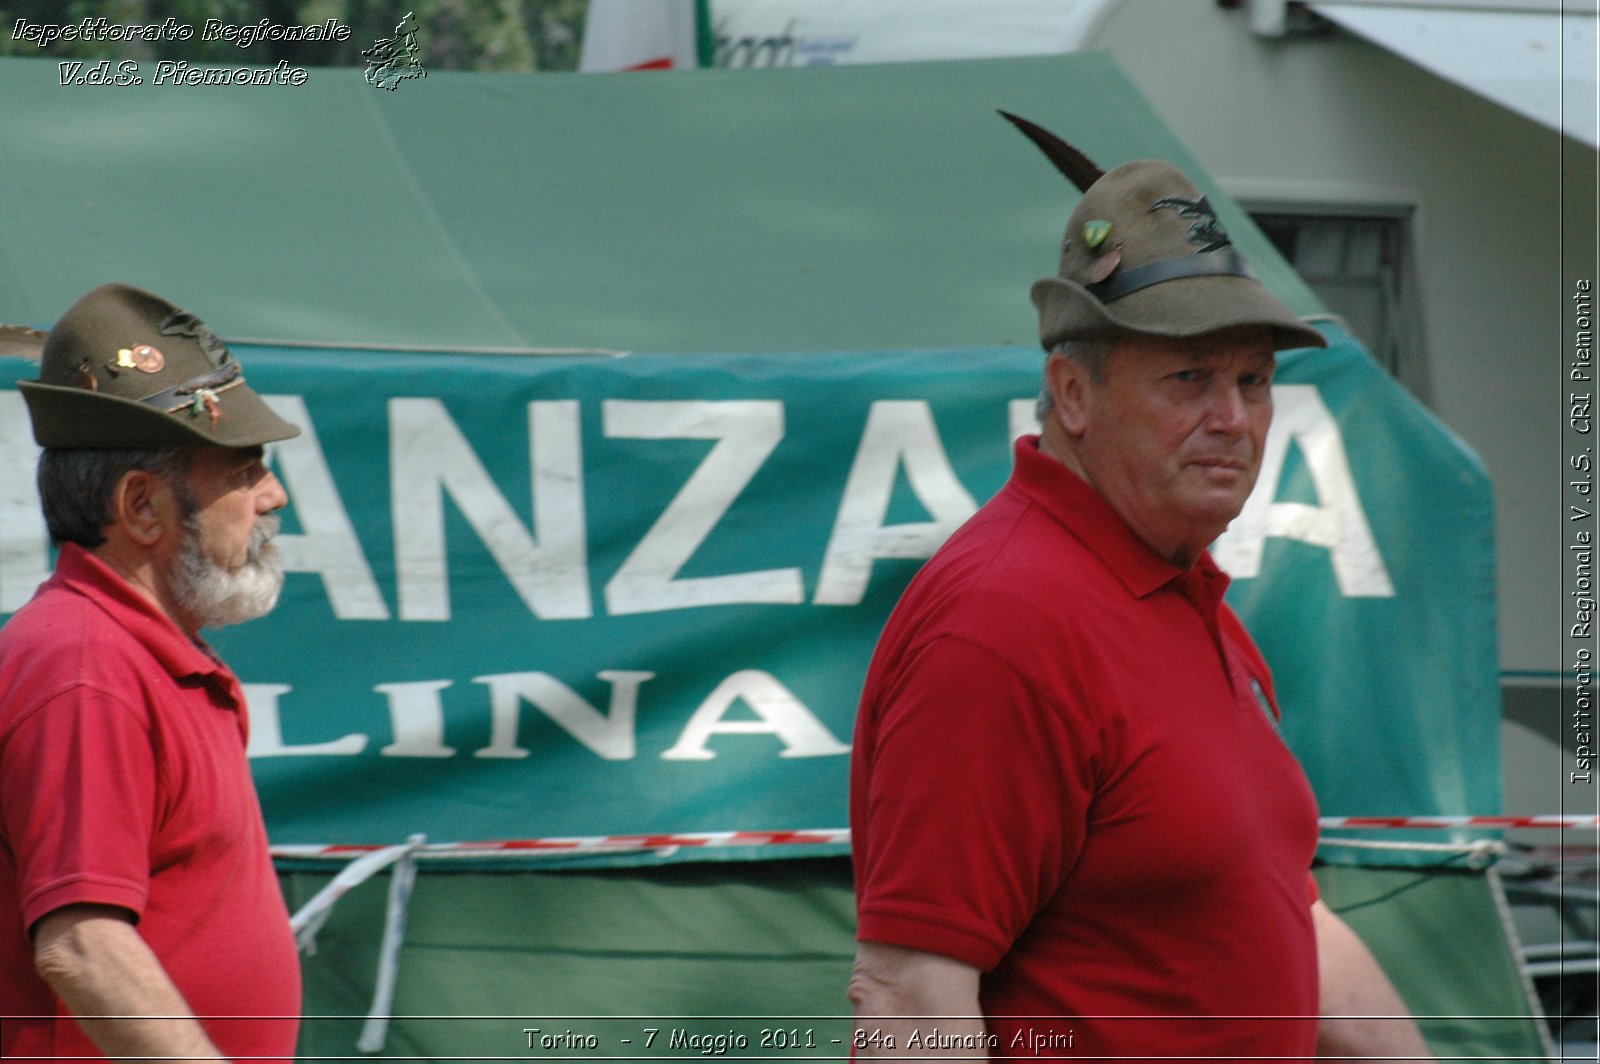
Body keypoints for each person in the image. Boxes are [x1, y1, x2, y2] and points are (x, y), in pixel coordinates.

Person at [847, 157, 1432, 1060]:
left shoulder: (1182, 591)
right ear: (1073, 395)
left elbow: (1284, 914)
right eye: (1190, 378)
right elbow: (908, 994)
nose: (1234, 418)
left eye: (1254, 381)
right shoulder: (1005, 620)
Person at [0, 284, 303, 1062]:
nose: (274, 496)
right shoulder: (84, 664)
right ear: (142, 507)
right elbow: (84, 946)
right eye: (243, 471)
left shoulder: (133, 652)